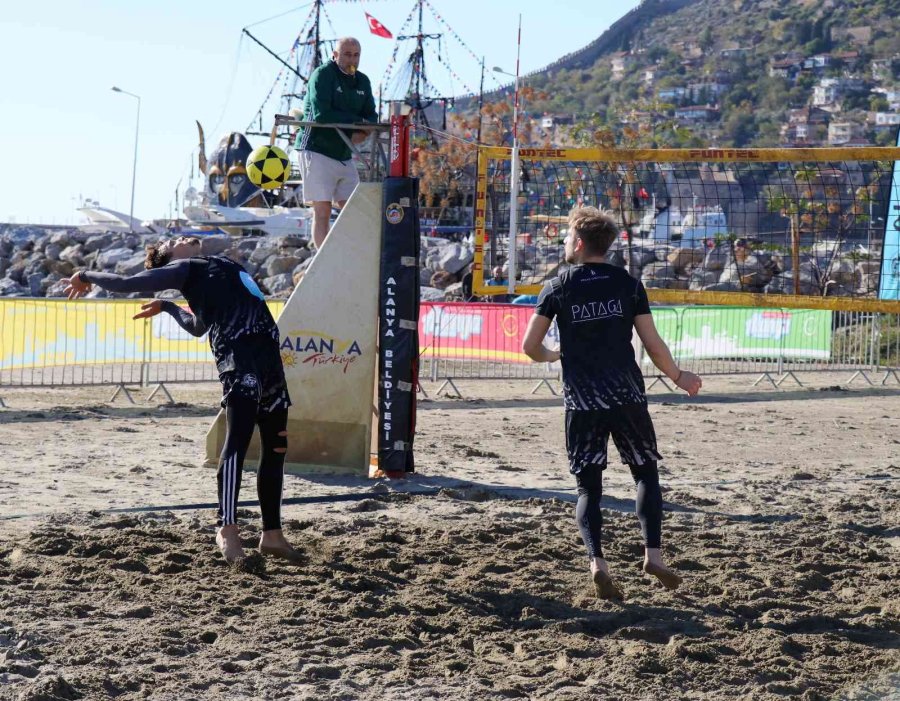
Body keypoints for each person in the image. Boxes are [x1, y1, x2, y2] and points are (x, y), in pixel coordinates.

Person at [63, 236, 301, 566]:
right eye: (170, 241)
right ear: (169, 258)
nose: (179, 238)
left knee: (276, 447)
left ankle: (272, 535)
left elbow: (198, 325)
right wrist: (85, 275)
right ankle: (227, 530)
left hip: (268, 359)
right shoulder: (182, 268)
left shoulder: (218, 266)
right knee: (238, 443)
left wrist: (169, 307)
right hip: (238, 359)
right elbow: (127, 283)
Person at [522, 207, 702, 601]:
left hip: (582, 401)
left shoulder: (556, 287)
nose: (565, 243)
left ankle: (597, 564)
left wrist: (554, 356)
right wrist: (678, 377)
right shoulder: (629, 284)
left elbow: (529, 347)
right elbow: (652, 343)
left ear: (580, 243)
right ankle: (653, 555)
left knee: (589, 488)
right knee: (645, 475)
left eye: (568, 237)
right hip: (627, 397)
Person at [295, 36, 377, 249]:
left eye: (356, 55)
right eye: (347, 54)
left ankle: (348, 252)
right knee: (322, 211)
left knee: (354, 210)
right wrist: (356, 127)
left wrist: (364, 130)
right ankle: (324, 259)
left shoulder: (363, 81)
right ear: (335, 55)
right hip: (316, 148)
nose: (352, 59)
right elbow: (322, 114)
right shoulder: (322, 75)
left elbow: (372, 116)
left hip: (343, 153)